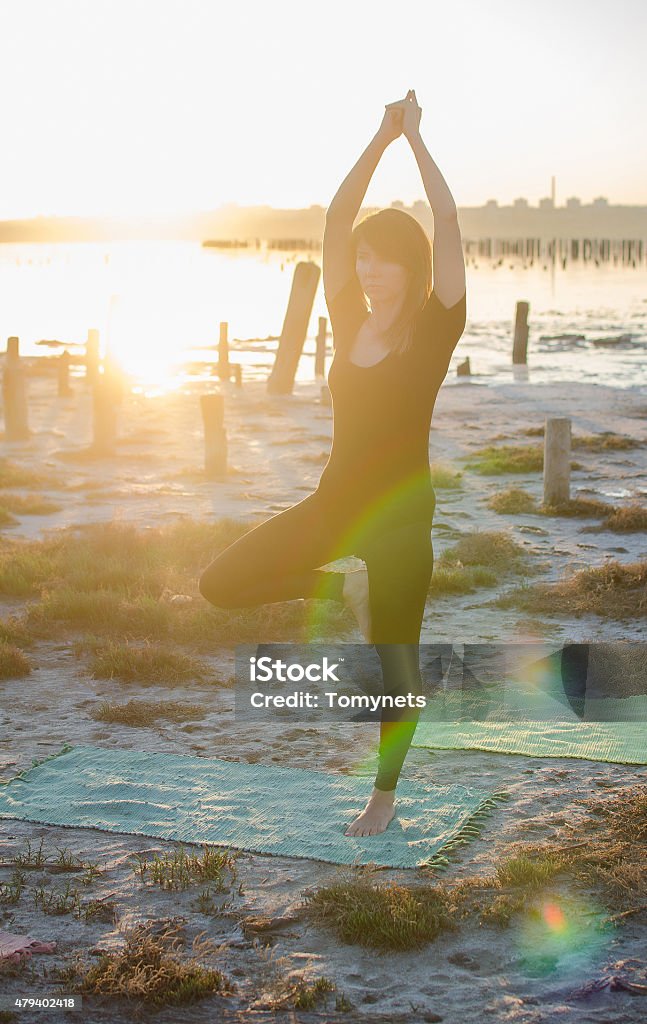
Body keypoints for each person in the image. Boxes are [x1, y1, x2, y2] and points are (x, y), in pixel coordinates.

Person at [199, 90, 467, 837]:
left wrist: (415, 139)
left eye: (381, 261)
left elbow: (446, 222)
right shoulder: (346, 316)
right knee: (219, 586)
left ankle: (382, 796)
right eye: (362, 261)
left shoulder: (437, 325)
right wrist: (378, 138)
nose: (367, 270)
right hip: (332, 505)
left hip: (401, 520)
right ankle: (341, 588)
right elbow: (333, 219)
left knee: (396, 667)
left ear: (409, 266)